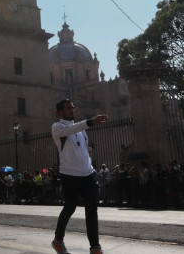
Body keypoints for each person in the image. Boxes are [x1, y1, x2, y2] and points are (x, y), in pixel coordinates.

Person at [50, 98, 110, 254]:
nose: (72, 110)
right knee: (70, 207)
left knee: (92, 210)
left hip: (88, 175)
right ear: (60, 112)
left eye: (73, 107)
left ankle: (95, 247)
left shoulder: (82, 129)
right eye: (68, 108)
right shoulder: (57, 127)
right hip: (69, 175)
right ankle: (58, 240)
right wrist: (90, 121)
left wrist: (91, 167)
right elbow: (71, 130)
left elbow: (83, 150)